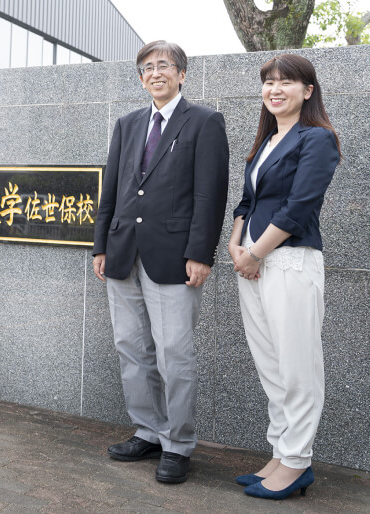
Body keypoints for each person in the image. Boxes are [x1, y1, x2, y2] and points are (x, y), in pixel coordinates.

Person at [92, 40, 229, 484]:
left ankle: (179, 444)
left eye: (164, 66)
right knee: (131, 349)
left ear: (181, 74)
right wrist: (100, 246)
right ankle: (148, 430)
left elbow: (210, 196)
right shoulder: (127, 124)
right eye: (147, 67)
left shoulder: (204, 122)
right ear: (140, 77)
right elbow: (110, 190)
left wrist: (201, 254)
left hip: (174, 259)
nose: (155, 73)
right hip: (122, 254)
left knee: (174, 355)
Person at [228, 53, 340, 500]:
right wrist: (236, 248)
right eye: (268, 82)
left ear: (307, 91)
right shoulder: (265, 143)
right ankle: (280, 452)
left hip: (289, 263)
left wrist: (254, 252)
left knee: (297, 366)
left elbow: (299, 207)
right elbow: (245, 204)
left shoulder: (318, 139)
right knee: (271, 366)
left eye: (286, 82)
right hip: (251, 265)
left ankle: (297, 462)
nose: (275, 89)